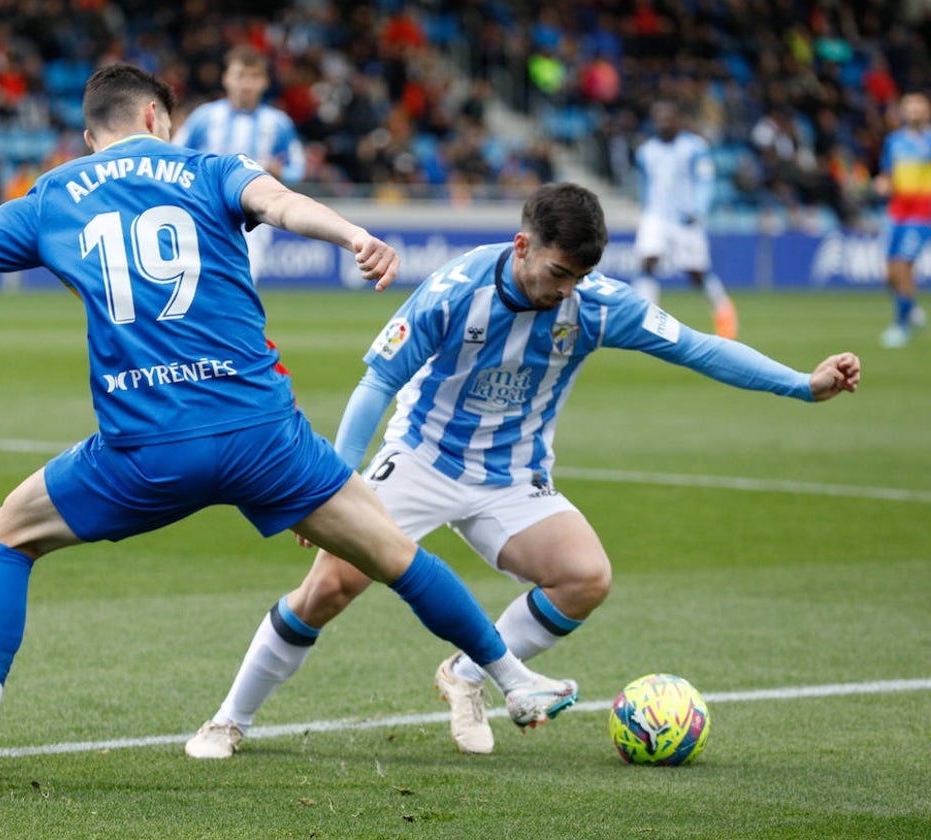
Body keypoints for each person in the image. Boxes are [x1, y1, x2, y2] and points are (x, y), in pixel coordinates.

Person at [0, 63, 566, 781]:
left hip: (146, 450)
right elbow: (281, 206)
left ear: (89, 130)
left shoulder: (51, 196)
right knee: (394, 553)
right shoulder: (207, 167)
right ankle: (513, 679)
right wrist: (356, 234)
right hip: (261, 437)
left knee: (9, 533)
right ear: (154, 118)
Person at [184, 182, 861, 760]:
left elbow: (699, 348)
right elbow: (376, 383)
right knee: (330, 588)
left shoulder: (594, 305)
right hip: (420, 459)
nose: (566, 288)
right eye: (558, 273)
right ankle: (229, 720)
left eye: (578, 277)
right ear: (521, 246)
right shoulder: (453, 290)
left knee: (585, 577)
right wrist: (333, 481)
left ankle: (465, 672)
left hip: (512, 476)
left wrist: (803, 385)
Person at [172, 45, 306, 280]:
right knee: (197, 281)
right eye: (240, 76)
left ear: (264, 82)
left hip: (254, 216)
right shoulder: (204, 117)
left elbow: (298, 167)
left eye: (254, 77)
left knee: (244, 281)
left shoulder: (278, 123)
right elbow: (173, 157)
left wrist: (280, 171)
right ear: (226, 78)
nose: (246, 84)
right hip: (204, 211)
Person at [632, 101, 738, 340]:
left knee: (696, 273)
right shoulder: (646, 151)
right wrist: (646, 207)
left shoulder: (694, 147)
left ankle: (724, 311)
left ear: (679, 121)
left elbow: (705, 179)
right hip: (656, 215)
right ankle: (644, 322)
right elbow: (647, 184)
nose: (663, 124)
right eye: (659, 120)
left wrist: (698, 209)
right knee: (647, 262)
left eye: (668, 119)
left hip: (685, 218)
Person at [873, 91, 931, 349]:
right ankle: (912, 308)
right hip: (897, 212)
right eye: (910, 108)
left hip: (922, 213)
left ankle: (901, 324)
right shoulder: (894, 141)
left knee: (903, 265)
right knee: (889, 273)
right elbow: (887, 173)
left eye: (919, 108)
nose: (914, 112)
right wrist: (883, 183)